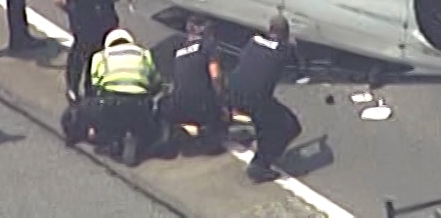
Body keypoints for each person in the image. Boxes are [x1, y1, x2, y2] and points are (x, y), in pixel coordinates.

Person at [227, 15, 304, 183]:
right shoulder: (285, 50)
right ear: (286, 33)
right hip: (256, 99)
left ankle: (236, 131)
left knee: (260, 117)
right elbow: (299, 69)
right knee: (289, 127)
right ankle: (260, 166)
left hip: (232, 92)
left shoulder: (253, 41)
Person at [87, 28, 162, 167]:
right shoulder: (144, 54)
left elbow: (95, 84)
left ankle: (109, 137)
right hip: (139, 102)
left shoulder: (100, 57)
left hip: (111, 102)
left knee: (95, 103)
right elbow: (155, 80)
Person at [159, 16, 228, 154]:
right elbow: (215, 76)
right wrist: (222, 101)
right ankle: (208, 141)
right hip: (202, 107)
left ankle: (173, 132)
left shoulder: (178, 50)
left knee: (162, 104)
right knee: (221, 118)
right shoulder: (209, 46)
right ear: (202, 29)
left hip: (177, 106)